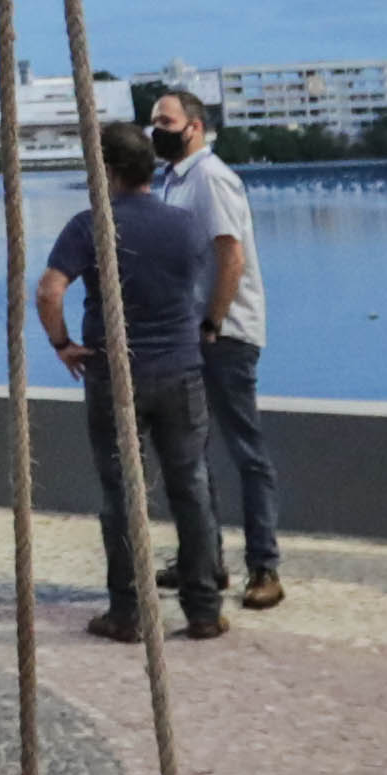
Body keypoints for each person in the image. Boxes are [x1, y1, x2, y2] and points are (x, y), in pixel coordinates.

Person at [39, 120, 228, 639]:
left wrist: (61, 345)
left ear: (109, 171)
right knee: (191, 487)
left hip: (115, 374)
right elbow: (205, 280)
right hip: (181, 371)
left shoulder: (91, 225)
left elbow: (49, 291)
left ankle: (129, 610)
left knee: (123, 492)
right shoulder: (186, 225)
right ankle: (204, 607)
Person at [146, 88, 281, 609]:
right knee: (190, 454)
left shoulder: (210, 178)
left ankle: (264, 565)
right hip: (192, 333)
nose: (157, 128)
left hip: (223, 336)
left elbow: (231, 255)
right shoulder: (176, 180)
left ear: (194, 126)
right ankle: (204, 561)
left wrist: (213, 321)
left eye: (166, 120)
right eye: (154, 120)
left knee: (245, 452)